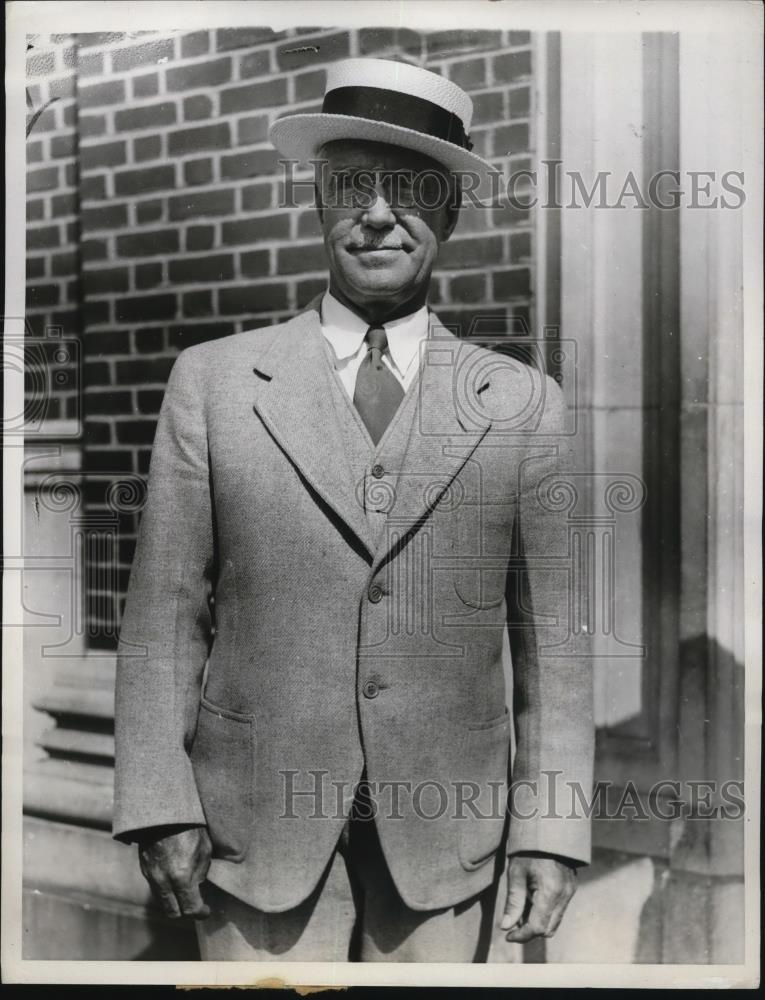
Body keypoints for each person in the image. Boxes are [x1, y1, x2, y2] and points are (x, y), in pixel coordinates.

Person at [113, 56, 594, 963]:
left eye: (409, 191)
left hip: (448, 843)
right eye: (350, 189)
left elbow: (557, 644)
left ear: (448, 213)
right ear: (317, 204)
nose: (378, 215)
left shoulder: (522, 403)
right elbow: (162, 619)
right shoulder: (215, 384)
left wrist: (549, 829)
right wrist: (157, 801)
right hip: (248, 831)